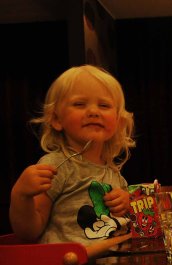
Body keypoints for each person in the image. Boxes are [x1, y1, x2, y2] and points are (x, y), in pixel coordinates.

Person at [9, 65, 136, 246]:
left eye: (104, 105)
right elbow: (29, 232)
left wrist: (127, 204)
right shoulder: (56, 166)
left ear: (118, 121)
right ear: (56, 120)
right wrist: (21, 195)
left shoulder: (115, 173)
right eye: (79, 104)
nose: (93, 111)